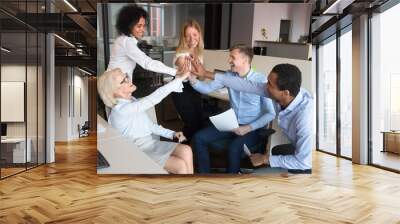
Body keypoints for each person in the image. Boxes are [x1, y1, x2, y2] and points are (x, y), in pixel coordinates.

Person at [190, 60, 314, 173]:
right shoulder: (285, 94)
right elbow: (242, 85)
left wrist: (265, 159)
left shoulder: (305, 118)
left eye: (270, 84)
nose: (265, 86)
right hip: (298, 149)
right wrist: (205, 73)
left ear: (285, 93)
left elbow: (304, 162)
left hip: (312, 161)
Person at [191, 44, 276, 174]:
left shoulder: (260, 81)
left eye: (232, 57)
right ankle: (205, 176)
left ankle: (232, 183)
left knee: (234, 148)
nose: (229, 60)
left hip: (252, 129)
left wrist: (248, 128)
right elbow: (207, 89)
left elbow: (270, 113)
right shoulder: (229, 76)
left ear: (245, 60)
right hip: (231, 124)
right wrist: (191, 79)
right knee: (199, 138)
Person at [97, 68, 193, 174]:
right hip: (136, 151)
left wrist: (172, 134)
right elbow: (153, 98)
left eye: (126, 76)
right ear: (114, 91)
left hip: (150, 144)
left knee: (186, 150)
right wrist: (180, 78)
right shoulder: (121, 110)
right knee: (180, 165)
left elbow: (150, 126)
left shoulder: (132, 100)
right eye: (123, 80)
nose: (128, 80)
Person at [107, 4, 187, 78]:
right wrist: (175, 71)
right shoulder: (126, 41)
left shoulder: (123, 39)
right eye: (139, 26)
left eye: (143, 26)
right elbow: (147, 62)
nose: (143, 30)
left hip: (117, 82)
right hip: (115, 84)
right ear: (128, 26)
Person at [172, 19, 205, 143]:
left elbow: (201, 75)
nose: (192, 39)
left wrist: (200, 72)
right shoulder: (181, 54)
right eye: (188, 36)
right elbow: (192, 73)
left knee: (199, 122)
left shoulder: (199, 52)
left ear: (199, 35)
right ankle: (179, 147)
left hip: (194, 87)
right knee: (191, 123)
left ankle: (188, 148)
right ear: (183, 38)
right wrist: (199, 71)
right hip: (180, 88)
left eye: (195, 35)